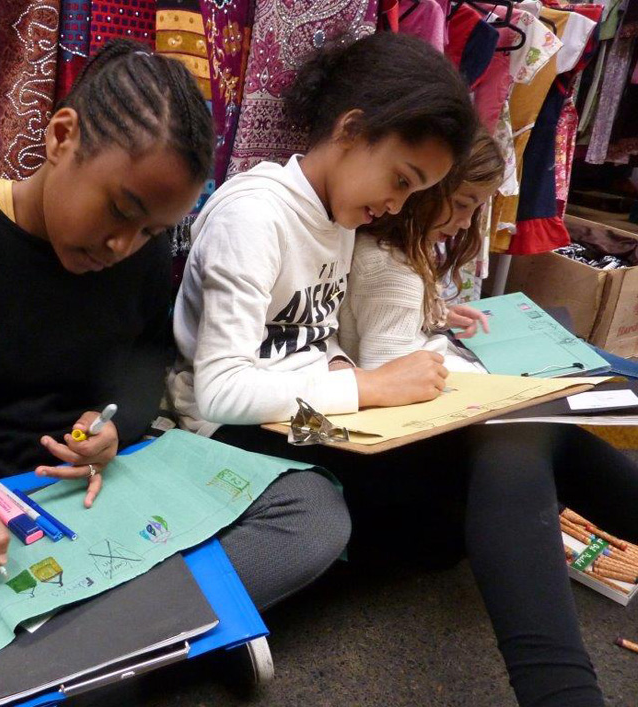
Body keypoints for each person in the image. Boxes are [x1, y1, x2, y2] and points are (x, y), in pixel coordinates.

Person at [169, 33, 638, 707]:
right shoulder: (254, 215)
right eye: (400, 181)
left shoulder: (332, 218)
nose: (397, 205)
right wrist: (365, 385)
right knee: (507, 445)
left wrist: (372, 377)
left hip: (310, 417)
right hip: (235, 434)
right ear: (351, 130)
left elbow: (310, 340)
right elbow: (218, 389)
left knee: (527, 431)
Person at [0, 39, 349, 614]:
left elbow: (145, 369)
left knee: (312, 509)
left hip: (105, 481)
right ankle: (155, 624)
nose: (124, 246)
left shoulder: (138, 253)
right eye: (121, 211)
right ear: (60, 136)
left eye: (151, 231)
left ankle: (104, 630)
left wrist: (114, 426)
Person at [339, 130, 503, 370]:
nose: (467, 222)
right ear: (425, 189)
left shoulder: (390, 250)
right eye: (461, 204)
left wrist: (434, 315)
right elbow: (389, 375)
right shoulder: (393, 271)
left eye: (475, 210)